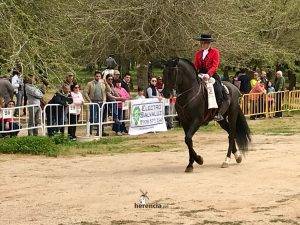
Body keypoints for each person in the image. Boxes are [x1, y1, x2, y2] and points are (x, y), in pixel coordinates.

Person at [193, 34, 228, 121]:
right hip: (200, 74)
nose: (203, 44)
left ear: (209, 43)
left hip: (211, 75)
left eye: (205, 43)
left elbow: (215, 65)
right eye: (202, 42)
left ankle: (218, 112)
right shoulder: (198, 53)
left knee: (218, 89)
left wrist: (208, 74)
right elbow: (195, 65)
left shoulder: (215, 52)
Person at [84, 71, 108, 136]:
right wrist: (89, 100)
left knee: (101, 117)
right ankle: (90, 132)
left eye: (99, 76)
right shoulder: (90, 83)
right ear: (94, 76)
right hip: (93, 102)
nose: (98, 77)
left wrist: (106, 83)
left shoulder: (103, 84)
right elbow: (85, 92)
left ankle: (100, 132)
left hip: (101, 102)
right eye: (97, 76)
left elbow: (109, 91)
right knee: (93, 117)